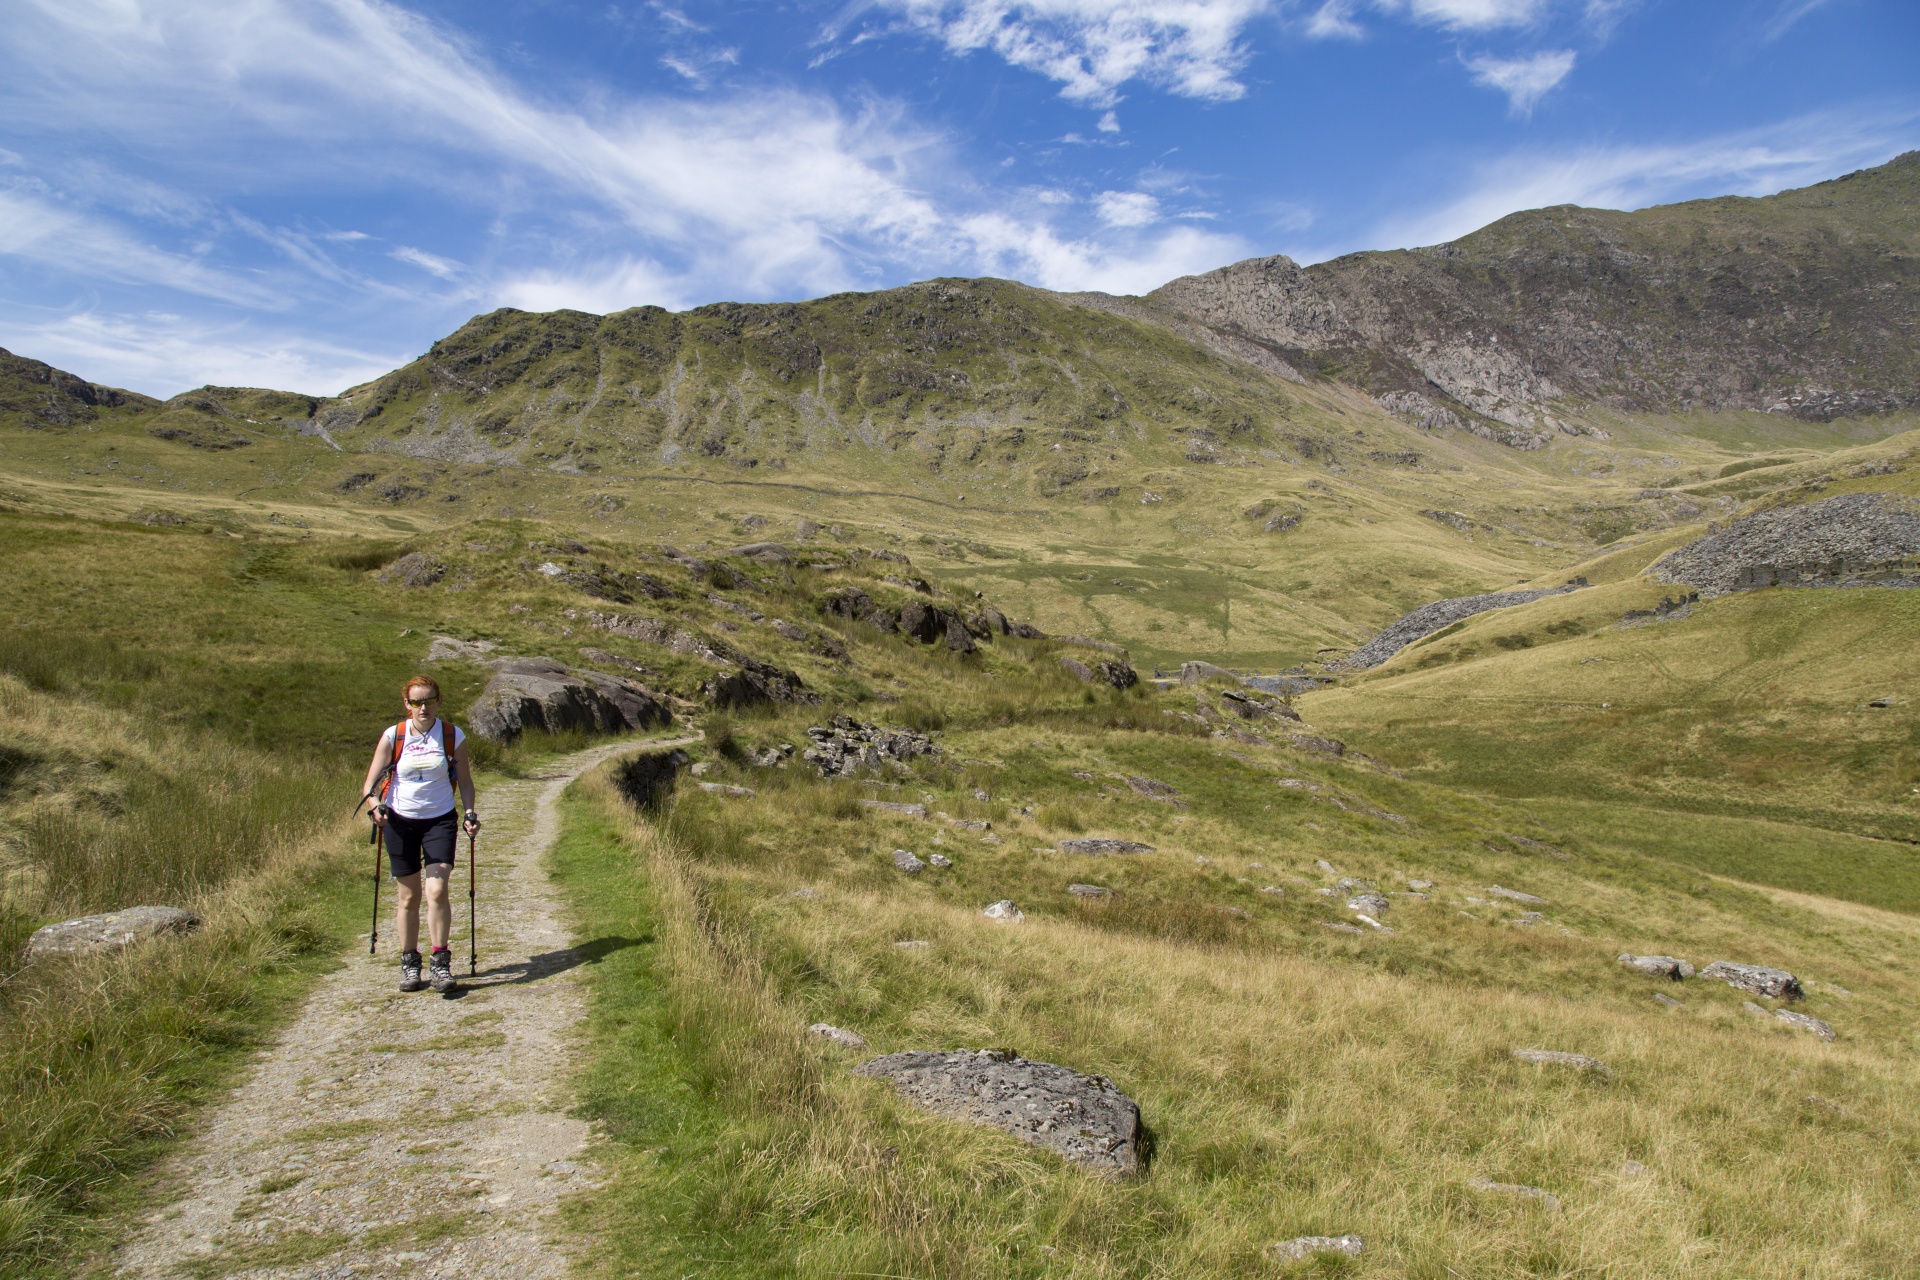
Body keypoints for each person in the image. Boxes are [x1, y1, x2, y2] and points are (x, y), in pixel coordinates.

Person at [361, 675, 481, 993]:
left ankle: (440, 963)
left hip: (439, 820)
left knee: (437, 890)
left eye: (428, 700)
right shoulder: (394, 736)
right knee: (409, 896)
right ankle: (410, 964)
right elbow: (370, 786)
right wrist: (375, 806)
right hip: (400, 822)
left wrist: (469, 811)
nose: (423, 707)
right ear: (407, 704)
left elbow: (466, 781)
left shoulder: (453, 736)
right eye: (416, 701)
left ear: (439, 701)